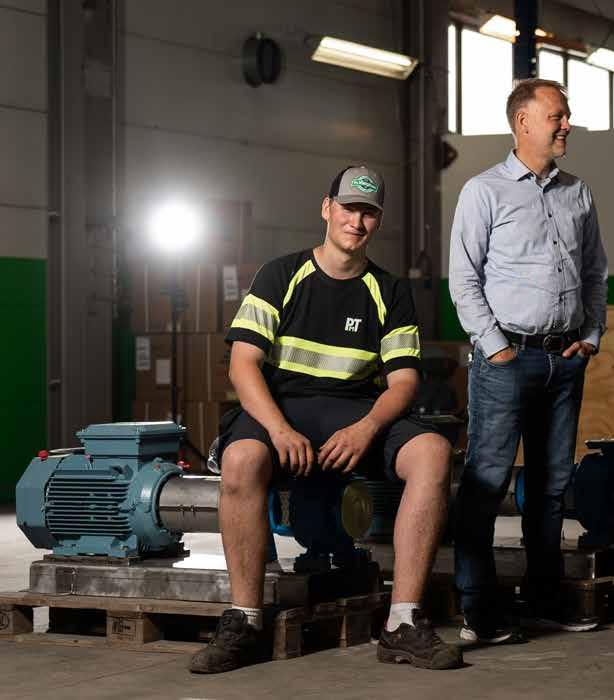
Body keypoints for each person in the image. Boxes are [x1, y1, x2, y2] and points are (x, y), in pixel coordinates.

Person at [189, 165, 460, 673]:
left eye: (368, 213)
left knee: (433, 452)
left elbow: (403, 383)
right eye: (348, 208)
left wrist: (367, 428)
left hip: (354, 410)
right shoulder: (280, 275)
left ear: (378, 220)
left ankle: (402, 623)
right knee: (241, 459)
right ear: (327, 208)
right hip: (281, 406)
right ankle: (245, 621)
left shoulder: (389, 291)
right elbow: (242, 364)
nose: (356, 221)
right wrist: (278, 429)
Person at [448, 78, 609, 644]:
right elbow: (463, 279)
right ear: (523, 122)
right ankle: (478, 610)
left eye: (566, 115)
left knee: (550, 486)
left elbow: (595, 271)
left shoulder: (577, 192)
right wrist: (496, 346)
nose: (567, 125)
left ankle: (542, 600)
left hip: (563, 360)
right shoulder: (484, 191)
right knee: (486, 482)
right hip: (506, 361)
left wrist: (590, 335)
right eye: (557, 116)